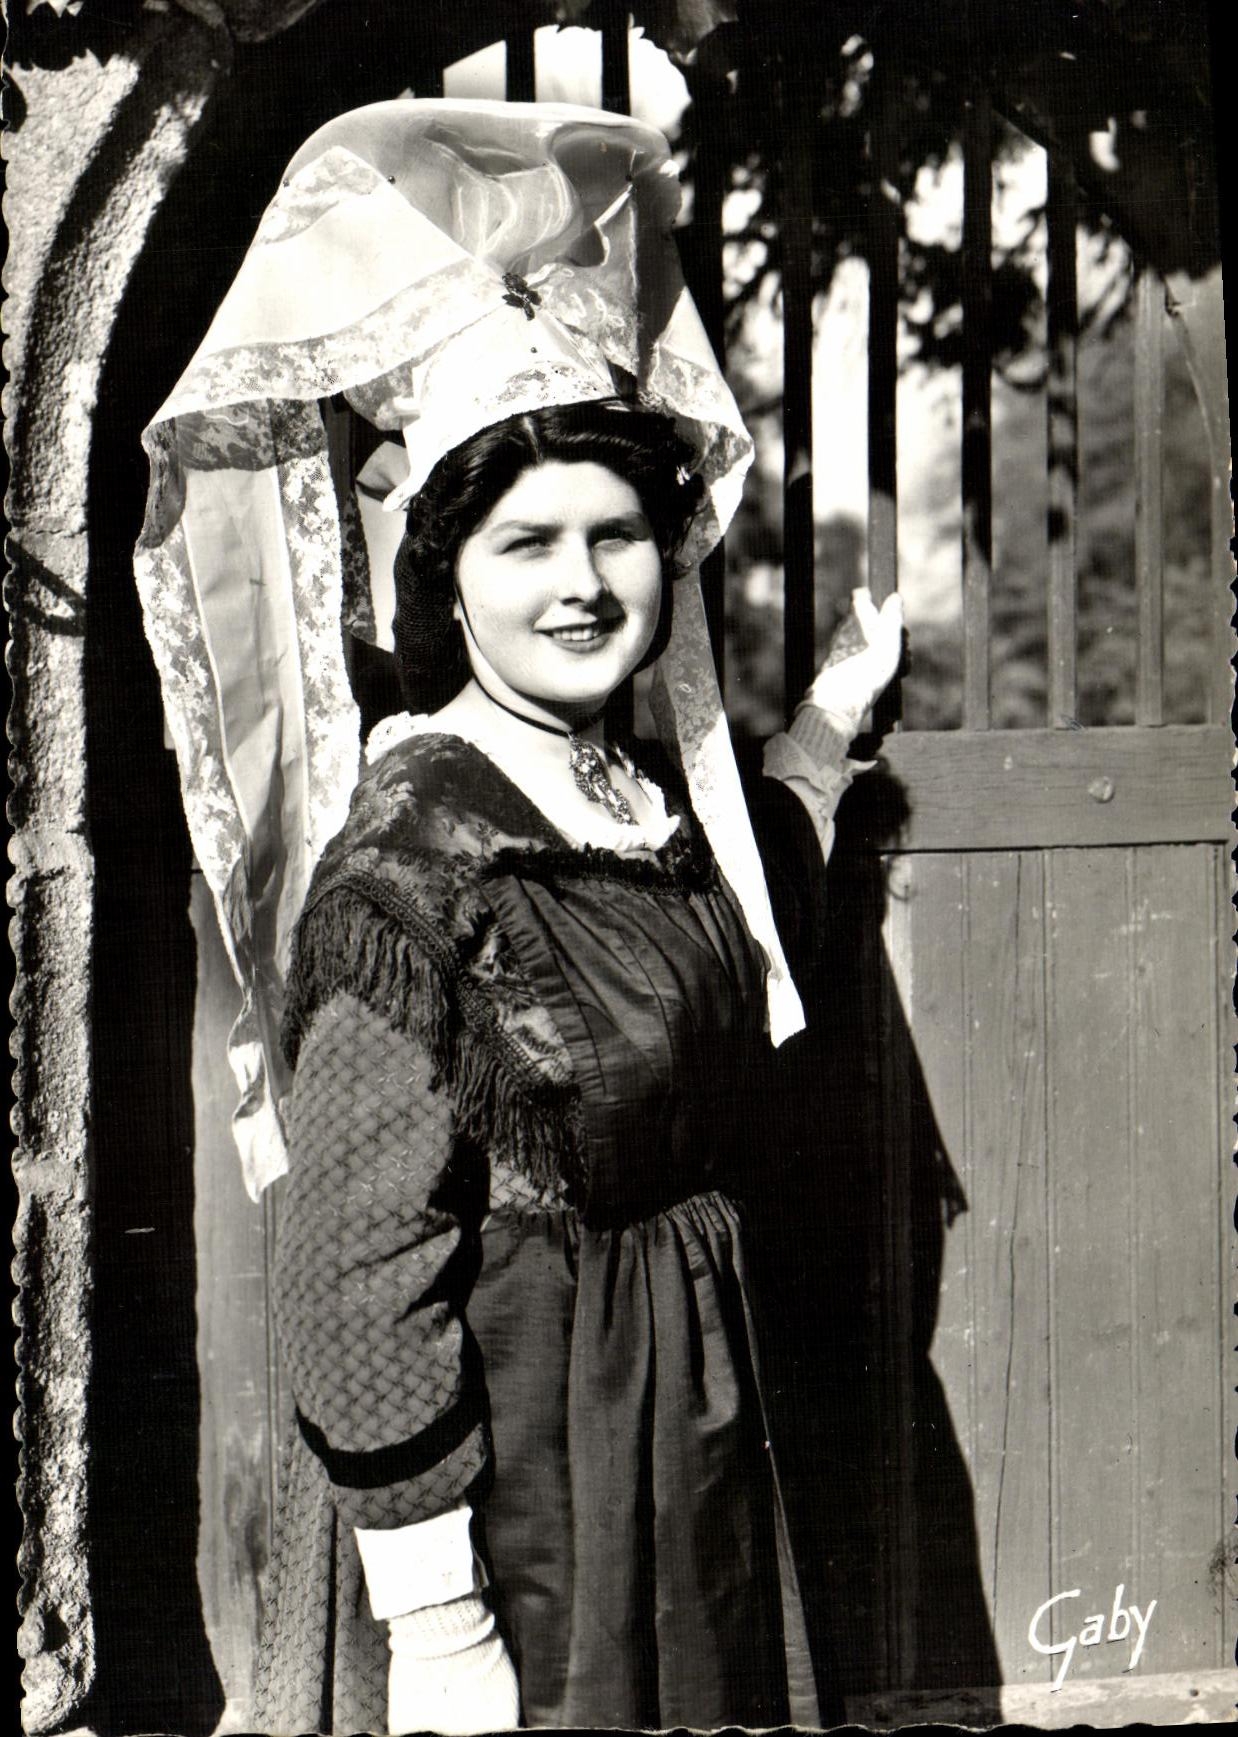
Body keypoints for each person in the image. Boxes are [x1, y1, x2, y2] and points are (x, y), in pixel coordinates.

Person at [135, 100, 901, 1735]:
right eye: (525, 541)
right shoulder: (411, 864)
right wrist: (441, 1626)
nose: (580, 583)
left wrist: (827, 728)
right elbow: (352, 1272)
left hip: (681, 1440)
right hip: (529, 1497)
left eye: (614, 534)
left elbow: (712, 910)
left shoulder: (622, 794)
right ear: (445, 575)